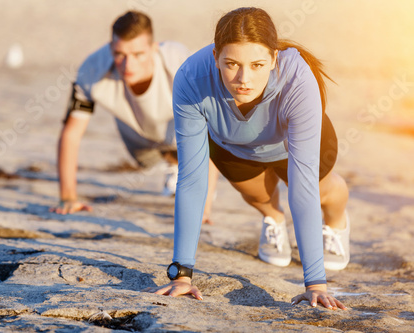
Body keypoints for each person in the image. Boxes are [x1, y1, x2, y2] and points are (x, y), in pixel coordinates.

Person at [147, 7, 350, 309]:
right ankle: (274, 218)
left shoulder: (297, 80)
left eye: (257, 64)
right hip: (237, 145)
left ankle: (335, 223)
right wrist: (182, 275)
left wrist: (315, 284)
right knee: (258, 195)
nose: (244, 78)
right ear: (216, 56)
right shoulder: (191, 77)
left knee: (320, 191)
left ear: (274, 59)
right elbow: (191, 179)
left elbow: (302, 185)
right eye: (231, 64)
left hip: (293, 142)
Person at [50, 11, 219, 222]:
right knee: (146, 161)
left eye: (138, 54)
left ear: (154, 48)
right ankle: (173, 162)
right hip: (137, 137)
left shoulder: (180, 62)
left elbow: (210, 132)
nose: (128, 65)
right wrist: (67, 197)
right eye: (120, 54)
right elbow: (71, 133)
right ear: (111, 48)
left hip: (179, 125)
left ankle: (180, 166)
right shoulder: (91, 70)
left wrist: (203, 208)